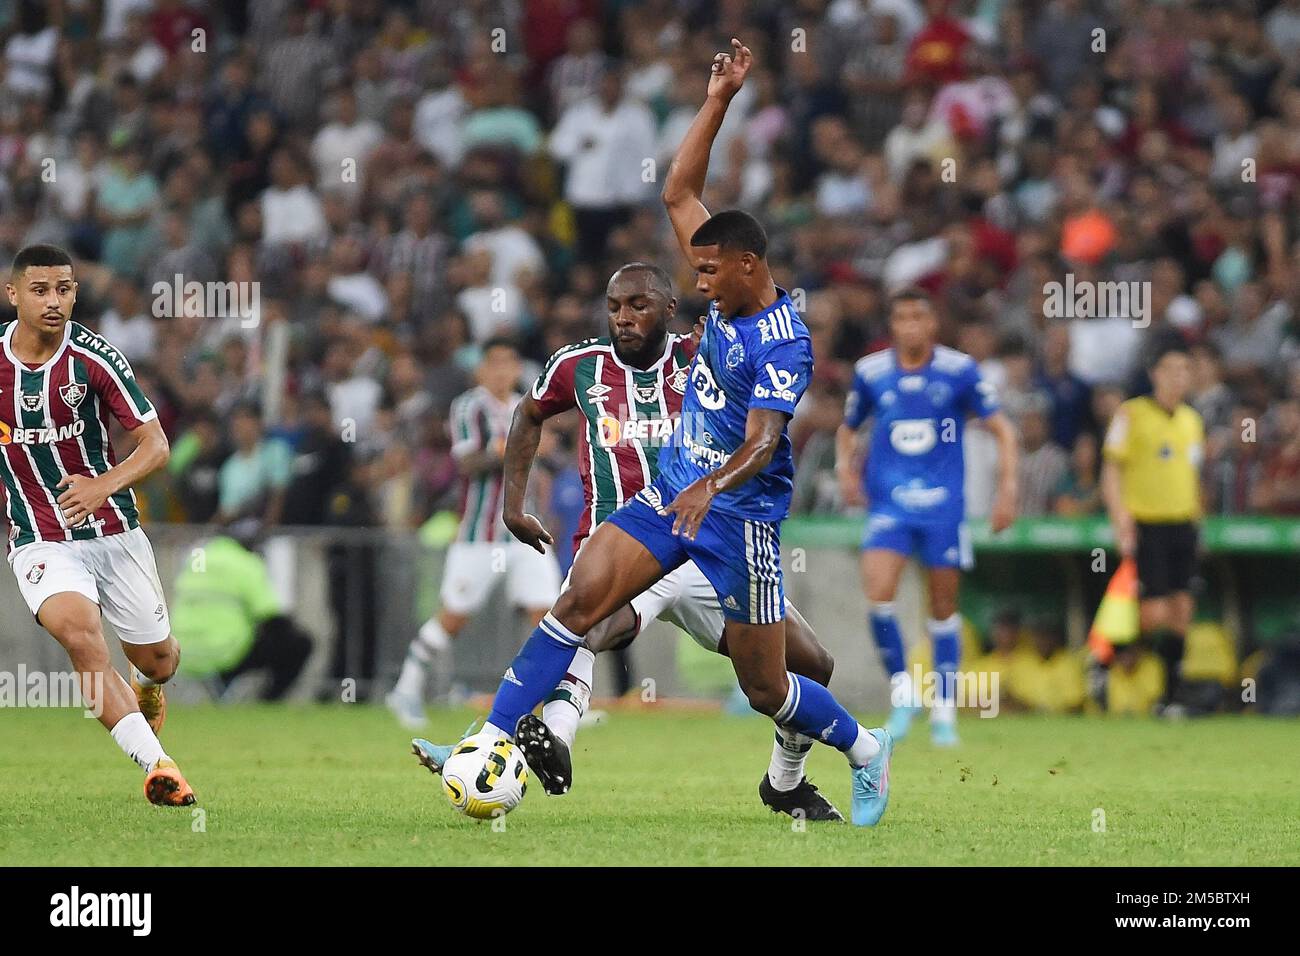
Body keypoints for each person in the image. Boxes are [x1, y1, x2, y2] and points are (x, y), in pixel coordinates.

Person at [410, 39, 895, 827]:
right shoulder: (719, 287)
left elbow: (768, 443)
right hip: (669, 500)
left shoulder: (785, 339)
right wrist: (719, 100)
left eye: (708, 273)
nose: (696, 284)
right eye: (694, 272)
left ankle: (866, 750)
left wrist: (711, 484)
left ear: (746, 263)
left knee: (772, 686)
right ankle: (492, 739)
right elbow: (678, 190)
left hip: (741, 525)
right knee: (576, 606)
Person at [414, 261, 843, 821]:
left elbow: (761, 407)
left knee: (812, 664)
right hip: (620, 542)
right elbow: (528, 413)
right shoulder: (578, 367)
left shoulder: (703, 359)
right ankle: (528, 742)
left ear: (669, 309)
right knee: (586, 624)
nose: (623, 317)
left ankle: (786, 781)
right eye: (615, 306)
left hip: (705, 542)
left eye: (638, 306)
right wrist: (513, 504)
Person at [1, 244, 194, 805]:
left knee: (157, 657)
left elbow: (155, 444)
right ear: (13, 295)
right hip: (38, 537)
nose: (54, 301)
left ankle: (149, 686)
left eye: (64, 289)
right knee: (82, 639)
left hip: (113, 531)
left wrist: (102, 484)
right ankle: (159, 766)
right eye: (40, 290)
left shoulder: (94, 360)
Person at [835, 288, 1019, 747]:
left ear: (933, 323)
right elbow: (847, 428)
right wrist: (846, 473)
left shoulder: (959, 370)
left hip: (943, 506)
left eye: (919, 316)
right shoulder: (871, 371)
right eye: (902, 318)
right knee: (878, 594)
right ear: (892, 325)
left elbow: (1001, 428)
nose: (911, 325)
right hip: (889, 505)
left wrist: (1007, 490)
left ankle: (944, 711)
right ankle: (904, 692)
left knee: (943, 608)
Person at [386, 338, 562, 727]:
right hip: (480, 535)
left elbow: (540, 466)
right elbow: (466, 463)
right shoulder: (469, 406)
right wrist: (509, 448)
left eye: (508, 363)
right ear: (481, 370)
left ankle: (556, 709)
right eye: (494, 363)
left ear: (518, 369)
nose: (502, 371)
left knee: (549, 617)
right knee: (454, 617)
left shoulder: (527, 405)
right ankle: (405, 690)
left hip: (526, 533)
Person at [1102, 344, 1205, 712]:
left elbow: (1193, 476)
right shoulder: (1130, 415)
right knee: (1154, 614)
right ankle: (1108, 661)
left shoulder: (1192, 420)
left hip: (1183, 524)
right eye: (1172, 369)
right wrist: (1120, 518)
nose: (1179, 377)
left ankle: (1171, 695)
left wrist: (1199, 521)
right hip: (1148, 524)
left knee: (1183, 610)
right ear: (1155, 374)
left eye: (1185, 370)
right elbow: (1112, 469)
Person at [171, 522, 312, 700]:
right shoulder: (245, 562)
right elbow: (271, 616)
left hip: (183, 653)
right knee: (299, 643)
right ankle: (268, 702)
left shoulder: (196, 559)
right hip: (224, 653)